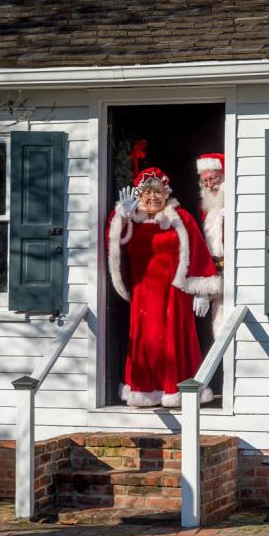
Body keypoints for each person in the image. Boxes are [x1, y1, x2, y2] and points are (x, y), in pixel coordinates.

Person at [107, 167, 222, 408]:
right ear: (139, 195)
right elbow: (115, 245)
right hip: (144, 295)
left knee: (175, 342)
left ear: (166, 194)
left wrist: (201, 290)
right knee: (146, 341)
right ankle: (146, 391)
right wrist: (123, 217)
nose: (152, 197)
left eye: (158, 192)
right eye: (147, 192)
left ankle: (178, 392)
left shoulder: (180, 219)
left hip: (174, 295)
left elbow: (198, 252)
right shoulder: (132, 219)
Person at [196, 153, 226, 334]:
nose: (208, 185)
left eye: (213, 179)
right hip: (216, 280)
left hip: (229, 280)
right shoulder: (208, 209)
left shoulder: (229, 207)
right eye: (204, 181)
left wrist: (206, 290)